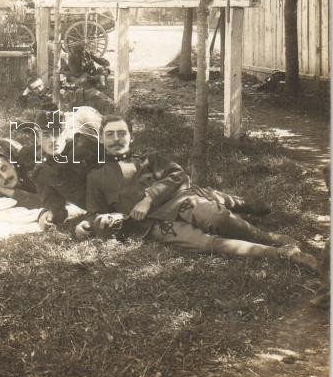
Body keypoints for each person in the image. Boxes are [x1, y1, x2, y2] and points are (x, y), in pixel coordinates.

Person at [73, 115, 316, 269]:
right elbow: (95, 212)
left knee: (217, 217)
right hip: (151, 226)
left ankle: (267, 237)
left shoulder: (150, 159)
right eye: (110, 135)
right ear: (102, 141)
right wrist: (89, 224)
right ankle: (282, 254)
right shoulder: (96, 176)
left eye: (122, 133)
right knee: (205, 243)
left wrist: (148, 198)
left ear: (132, 137)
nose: (117, 139)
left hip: (180, 201)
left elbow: (179, 175)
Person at [32, 105, 105, 229]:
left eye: (58, 132)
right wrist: (48, 215)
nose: (53, 140)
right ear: (37, 138)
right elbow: (55, 206)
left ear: (65, 132)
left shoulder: (88, 147)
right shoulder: (43, 171)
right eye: (46, 135)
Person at [57, 42, 115, 114]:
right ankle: (98, 82)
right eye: (82, 52)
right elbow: (76, 72)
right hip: (81, 77)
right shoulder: (72, 57)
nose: (84, 54)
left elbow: (100, 60)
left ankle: (99, 81)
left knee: (101, 69)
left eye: (85, 51)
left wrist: (106, 67)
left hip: (91, 75)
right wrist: (93, 77)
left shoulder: (87, 53)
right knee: (84, 79)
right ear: (77, 53)